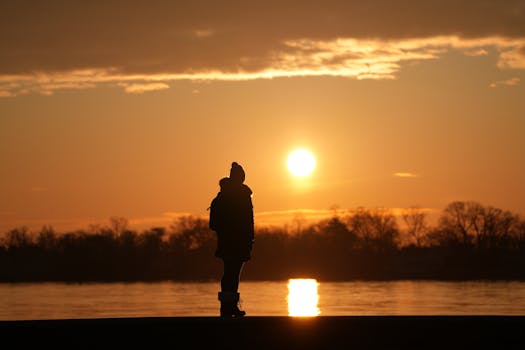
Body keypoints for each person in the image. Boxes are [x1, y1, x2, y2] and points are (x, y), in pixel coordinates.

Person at [210, 162, 254, 317]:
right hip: (235, 242)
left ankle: (228, 307)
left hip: (231, 242)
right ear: (238, 177)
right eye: (241, 175)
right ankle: (228, 307)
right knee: (232, 274)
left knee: (230, 273)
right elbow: (246, 221)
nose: (243, 177)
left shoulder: (223, 195)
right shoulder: (239, 195)